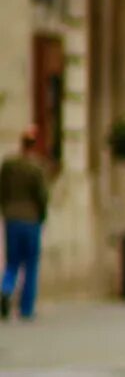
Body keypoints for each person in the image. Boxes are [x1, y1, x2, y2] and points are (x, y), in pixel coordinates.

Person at [1, 128, 51, 320]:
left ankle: (5, 289)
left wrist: (5, 209)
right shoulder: (36, 167)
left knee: (12, 261)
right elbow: (42, 195)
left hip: (12, 218)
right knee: (30, 264)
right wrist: (42, 215)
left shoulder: (9, 165)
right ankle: (26, 308)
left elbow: (3, 189)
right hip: (31, 219)